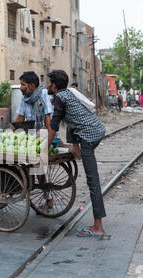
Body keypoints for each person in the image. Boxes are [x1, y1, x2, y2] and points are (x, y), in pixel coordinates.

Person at [47, 70, 106, 238]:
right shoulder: (68, 93)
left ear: (55, 85)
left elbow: (53, 127)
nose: (47, 85)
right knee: (70, 121)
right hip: (96, 129)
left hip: (89, 136)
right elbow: (71, 117)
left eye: (49, 82)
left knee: (92, 182)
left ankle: (98, 227)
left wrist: (43, 150)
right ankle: (77, 150)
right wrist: (74, 147)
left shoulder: (60, 98)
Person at [15, 71, 54, 210]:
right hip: (29, 136)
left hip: (42, 134)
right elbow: (20, 117)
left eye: (22, 84)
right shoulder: (25, 97)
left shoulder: (43, 94)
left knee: (39, 170)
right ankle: (33, 190)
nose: (20, 87)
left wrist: (48, 141)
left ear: (31, 85)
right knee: (29, 167)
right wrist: (12, 134)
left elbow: (47, 117)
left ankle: (48, 198)